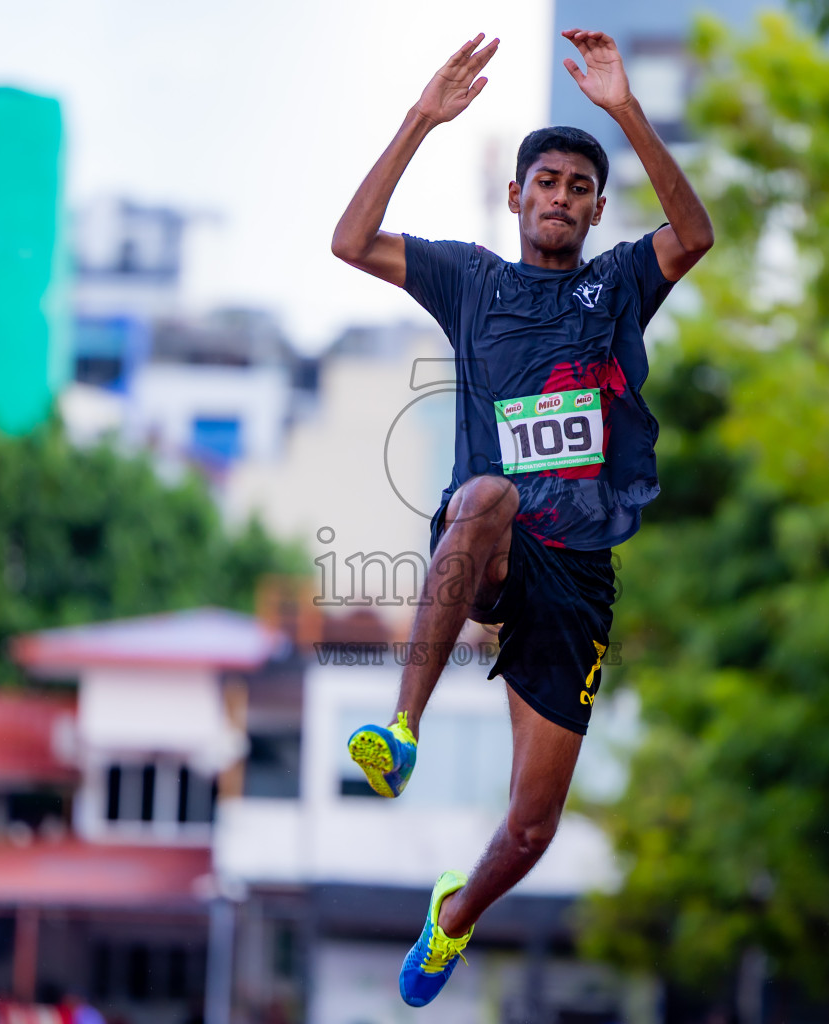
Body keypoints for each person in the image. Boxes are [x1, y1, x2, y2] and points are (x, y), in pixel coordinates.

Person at [330, 27, 713, 1007]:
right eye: (545, 181)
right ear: (517, 195)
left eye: (580, 188)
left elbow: (695, 236)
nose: (561, 197)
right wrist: (422, 116)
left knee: (533, 827)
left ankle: (453, 916)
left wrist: (625, 112)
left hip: (577, 575)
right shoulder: (473, 281)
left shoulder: (617, 283)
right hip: (490, 541)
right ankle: (403, 729)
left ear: (593, 209)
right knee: (489, 494)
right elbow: (349, 241)